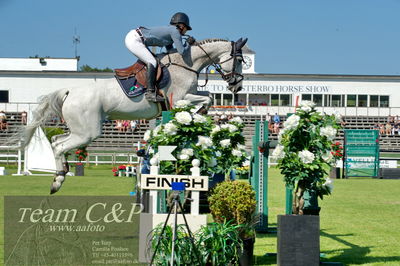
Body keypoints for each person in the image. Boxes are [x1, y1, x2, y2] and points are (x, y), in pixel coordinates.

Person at [124, 12, 195, 102]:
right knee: (152, 62)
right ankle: (150, 93)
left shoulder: (171, 31)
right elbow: (182, 52)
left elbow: (171, 51)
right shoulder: (175, 31)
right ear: (181, 26)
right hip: (134, 39)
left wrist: (185, 45)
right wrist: (188, 44)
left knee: (153, 60)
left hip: (136, 38)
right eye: (186, 28)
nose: (186, 32)